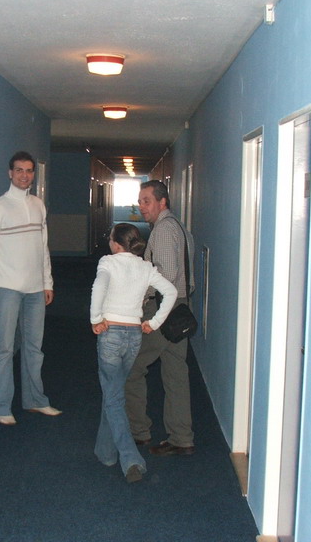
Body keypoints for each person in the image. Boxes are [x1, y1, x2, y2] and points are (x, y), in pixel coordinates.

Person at [0, 151, 61, 425]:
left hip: (35, 290)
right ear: (10, 173)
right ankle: (2, 407)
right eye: (19, 170)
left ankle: (35, 400)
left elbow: (42, 248)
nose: (25, 175)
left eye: (29, 170)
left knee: (34, 348)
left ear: (34, 174)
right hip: (6, 289)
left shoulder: (38, 205)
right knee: (3, 349)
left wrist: (47, 282)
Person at [90, 223, 177, 483]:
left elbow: (99, 287)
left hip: (111, 334)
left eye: (110, 238)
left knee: (114, 397)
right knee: (114, 392)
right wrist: (155, 322)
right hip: (134, 336)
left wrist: (95, 318)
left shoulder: (108, 262)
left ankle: (131, 460)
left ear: (116, 243)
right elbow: (171, 291)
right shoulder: (145, 267)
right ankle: (106, 452)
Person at [125, 180, 196, 455]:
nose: (142, 206)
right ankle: (182, 437)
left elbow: (165, 275)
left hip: (163, 309)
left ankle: (138, 431)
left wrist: (142, 294)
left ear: (162, 202)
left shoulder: (164, 231)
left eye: (147, 201)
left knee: (132, 367)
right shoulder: (179, 227)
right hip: (180, 308)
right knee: (176, 373)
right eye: (140, 201)